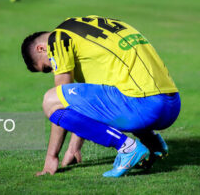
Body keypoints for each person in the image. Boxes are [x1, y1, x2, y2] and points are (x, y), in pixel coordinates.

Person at [21, 16, 181, 177]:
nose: (53, 70)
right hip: (171, 105)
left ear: (41, 49)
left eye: (47, 68)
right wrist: (73, 148)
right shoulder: (85, 27)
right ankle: (153, 143)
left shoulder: (57, 39)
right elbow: (89, 105)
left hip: (144, 108)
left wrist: (51, 156)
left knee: (50, 100)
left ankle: (128, 148)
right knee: (117, 90)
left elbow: (61, 100)